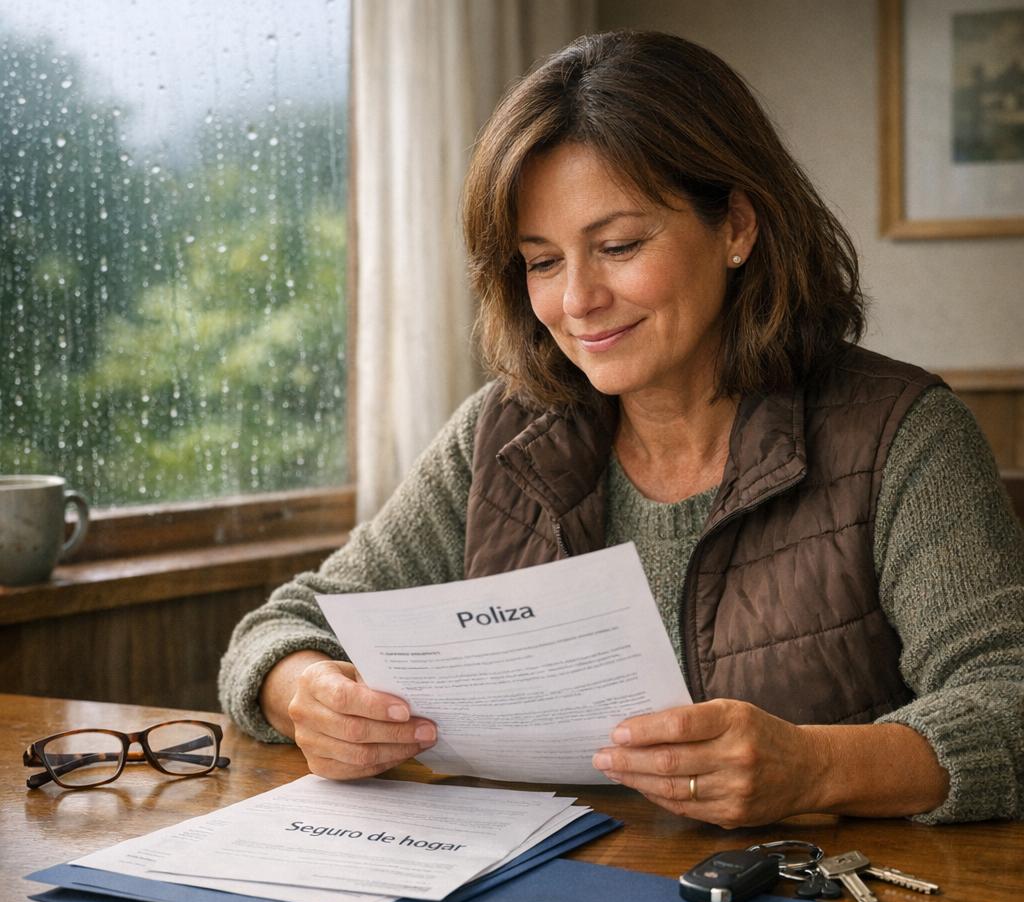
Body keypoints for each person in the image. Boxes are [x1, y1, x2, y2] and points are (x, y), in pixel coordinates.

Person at [219, 30, 1024, 827]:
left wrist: (817, 769)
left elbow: (1009, 698)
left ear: (737, 227)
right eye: (541, 261)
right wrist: (305, 696)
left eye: (618, 245)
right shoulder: (500, 436)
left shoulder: (903, 436)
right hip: (538, 900)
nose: (576, 302)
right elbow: (283, 626)